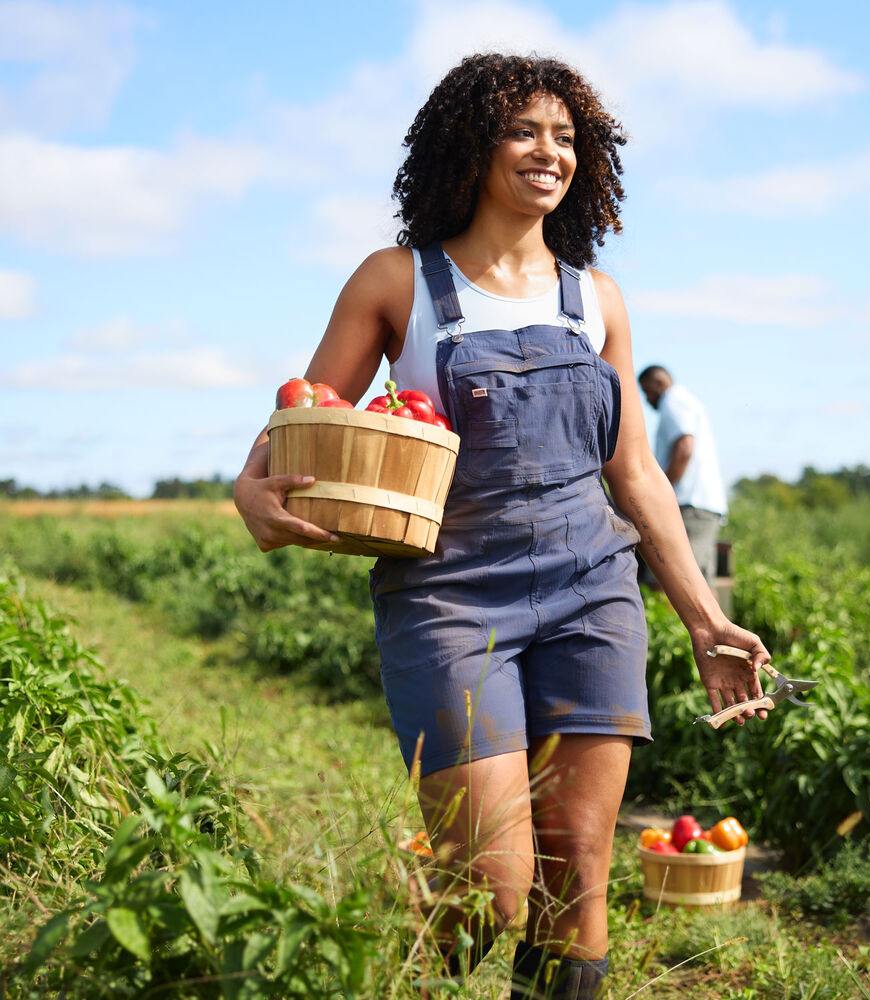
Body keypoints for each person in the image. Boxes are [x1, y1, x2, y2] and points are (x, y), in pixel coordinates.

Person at [233, 53, 770, 1000]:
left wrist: (701, 616)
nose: (547, 152)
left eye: (565, 137)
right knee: (491, 882)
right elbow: (306, 414)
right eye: (524, 131)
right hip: (448, 594)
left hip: (591, 594)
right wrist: (250, 486)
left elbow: (634, 471)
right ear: (471, 146)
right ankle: (384, 962)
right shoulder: (399, 281)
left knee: (577, 883)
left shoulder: (594, 299)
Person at [638, 366, 728, 587]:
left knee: (676, 583)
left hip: (690, 506)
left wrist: (661, 492)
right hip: (704, 506)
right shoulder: (687, 401)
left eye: (647, 391)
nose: (647, 400)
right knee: (702, 587)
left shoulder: (673, 402)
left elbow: (684, 448)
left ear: (659, 383)